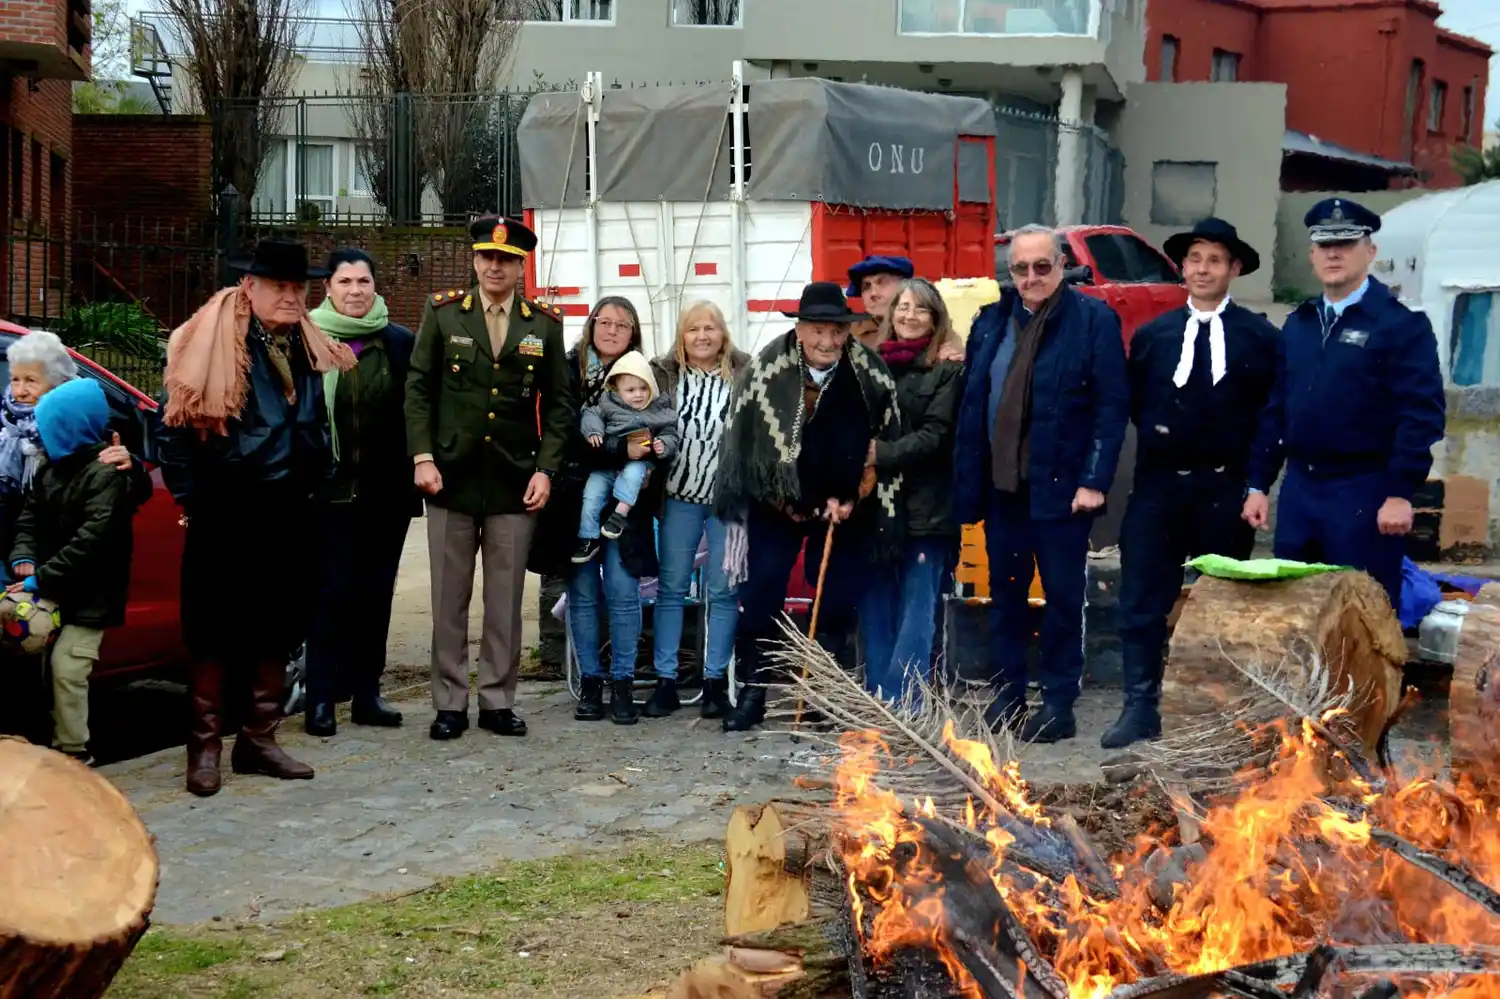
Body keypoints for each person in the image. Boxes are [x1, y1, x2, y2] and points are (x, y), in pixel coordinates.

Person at [156, 239, 355, 797]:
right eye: (279, 287)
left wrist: (324, 477)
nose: (291, 297)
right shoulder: (210, 340)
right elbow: (171, 431)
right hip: (227, 512)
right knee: (214, 631)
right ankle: (204, 748)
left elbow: (312, 423)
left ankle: (259, 739)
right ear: (249, 286)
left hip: (291, 512)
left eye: (298, 287)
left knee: (279, 626)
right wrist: (197, 500)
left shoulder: (305, 344)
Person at [1105, 219, 1282, 750]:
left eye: (1215, 260)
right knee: (1141, 598)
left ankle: (1212, 713)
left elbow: (1272, 417)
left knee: (1220, 603)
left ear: (1234, 269)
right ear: (1182, 267)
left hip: (1224, 488)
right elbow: (1135, 406)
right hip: (1158, 487)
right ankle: (1140, 706)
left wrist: (1258, 484)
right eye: (1195, 259)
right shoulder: (1153, 336)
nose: (1203, 269)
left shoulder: (1260, 338)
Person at [952, 224, 1129, 744]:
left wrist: (1094, 480)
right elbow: (972, 403)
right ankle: (1007, 695)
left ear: (1061, 266)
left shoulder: (1093, 320)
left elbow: (1111, 408)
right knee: (1004, 597)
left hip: (1063, 490)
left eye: (1042, 266)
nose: (1031, 277)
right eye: (1021, 268)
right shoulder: (991, 321)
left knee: (1062, 600)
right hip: (1003, 488)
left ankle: (1058, 703)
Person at [406, 216, 573, 742]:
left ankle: (498, 700)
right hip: (450, 476)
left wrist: (546, 469)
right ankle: (449, 703)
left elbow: (560, 404)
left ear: (521, 267)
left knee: (504, 601)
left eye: (505, 259)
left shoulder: (543, 325)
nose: (494, 266)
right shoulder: (443, 313)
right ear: (475, 260)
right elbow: (419, 389)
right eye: (487, 257)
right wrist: (422, 457)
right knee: (448, 598)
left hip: (513, 480)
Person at [715, 281, 905, 732]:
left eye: (837, 331)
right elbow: (746, 446)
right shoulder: (766, 369)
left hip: (842, 507)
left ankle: (823, 695)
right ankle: (753, 693)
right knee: (761, 593)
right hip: (776, 504)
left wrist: (855, 495)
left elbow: (885, 443)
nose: (828, 340)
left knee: (835, 599)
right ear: (800, 329)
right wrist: (782, 500)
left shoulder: (870, 374)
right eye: (818, 329)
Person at [1244, 198, 1445, 611]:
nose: (1333, 254)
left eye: (1346, 244)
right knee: (1294, 613)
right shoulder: (1299, 324)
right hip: (1301, 490)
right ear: (1312, 254)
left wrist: (1399, 492)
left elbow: (1421, 414)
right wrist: (1258, 484)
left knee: (1362, 616)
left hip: (1363, 492)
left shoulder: (1401, 325)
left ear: (1370, 252)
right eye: (1325, 245)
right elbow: (1277, 408)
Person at [302, 248, 421, 737]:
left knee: (375, 596)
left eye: (363, 282)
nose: (355, 291)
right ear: (328, 288)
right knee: (329, 597)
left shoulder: (398, 342)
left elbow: (416, 410)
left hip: (384, 496)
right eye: (345, 282)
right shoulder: (306, 338)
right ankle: (321, 698)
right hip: (327, 495)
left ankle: (367, 694)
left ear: (375, 286)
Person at [528, 297, 658, 725]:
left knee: (623, 591)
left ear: (633, 333)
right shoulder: (566, 370)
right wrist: (622, 449)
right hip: (573, 497)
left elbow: (656, 434)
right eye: (605, 322)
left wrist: (643, 456)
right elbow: (564, 434)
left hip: (625, 503)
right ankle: (590, 682)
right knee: (583, 594)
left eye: (623, 324)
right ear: (591, 326)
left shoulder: (642, 375)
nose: (612, 330)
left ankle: (623, 683)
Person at [8, 379, 146, 765]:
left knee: (68, 667)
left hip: (92, 596)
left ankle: (73, 753)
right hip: (54, 586)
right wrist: (23, 557)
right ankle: (41, 742)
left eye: (49, 425)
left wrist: (39, 579)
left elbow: (91, 541)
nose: (41, 433)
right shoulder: (50, 468)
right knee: (35, 661)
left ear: (70, 427)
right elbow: (29, 519)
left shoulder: (106, 474)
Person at [858, 278, 963, 703]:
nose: (909, 315)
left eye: (921, 309)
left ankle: (905, 701)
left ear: (935, 319)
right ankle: (877, 699)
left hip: (927, 506)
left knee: (916, 609)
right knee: (876, 604)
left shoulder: (947, 370)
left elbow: (936, 435)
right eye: (903, 306)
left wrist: (878, 453)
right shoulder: (871, 366)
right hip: (876, 509)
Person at [646, 301, 749, 719]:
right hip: (678, 498)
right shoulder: (663, 375)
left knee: (723, 592)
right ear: (681, 336)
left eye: (710, 328)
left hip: (727, 503)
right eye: (693, 329)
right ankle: (666, 681)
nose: (702, 336)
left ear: (723, 334)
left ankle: (715, 683)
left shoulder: (745, 373)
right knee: (671, 589)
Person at [0, 332, 136, 562]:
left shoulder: (83, 423)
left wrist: (133, 465)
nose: (20, 391)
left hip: (56, 557)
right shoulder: (6, 424)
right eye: (15, 379)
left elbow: (121, 485)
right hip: (12, 548)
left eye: (31, 380)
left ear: (58, 382)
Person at [574, 351, 680, 562]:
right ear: (616, 389)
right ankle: (588, 537)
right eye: (631, 390)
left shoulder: (659, 409)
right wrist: (593, 431)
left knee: (633, 475)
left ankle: (619, 514)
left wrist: (664, 444)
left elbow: (670, 432)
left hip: (639, 461)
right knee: (591, 494)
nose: (638, 394)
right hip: (608, 464)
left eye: (644, 388)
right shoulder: (608, 404)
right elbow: (590, 414)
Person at [846, 255, 915, 347]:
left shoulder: (926, 327)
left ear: (904, 286)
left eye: (881, 282)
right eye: (866, 287)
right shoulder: (848, 334)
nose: (873, 293)